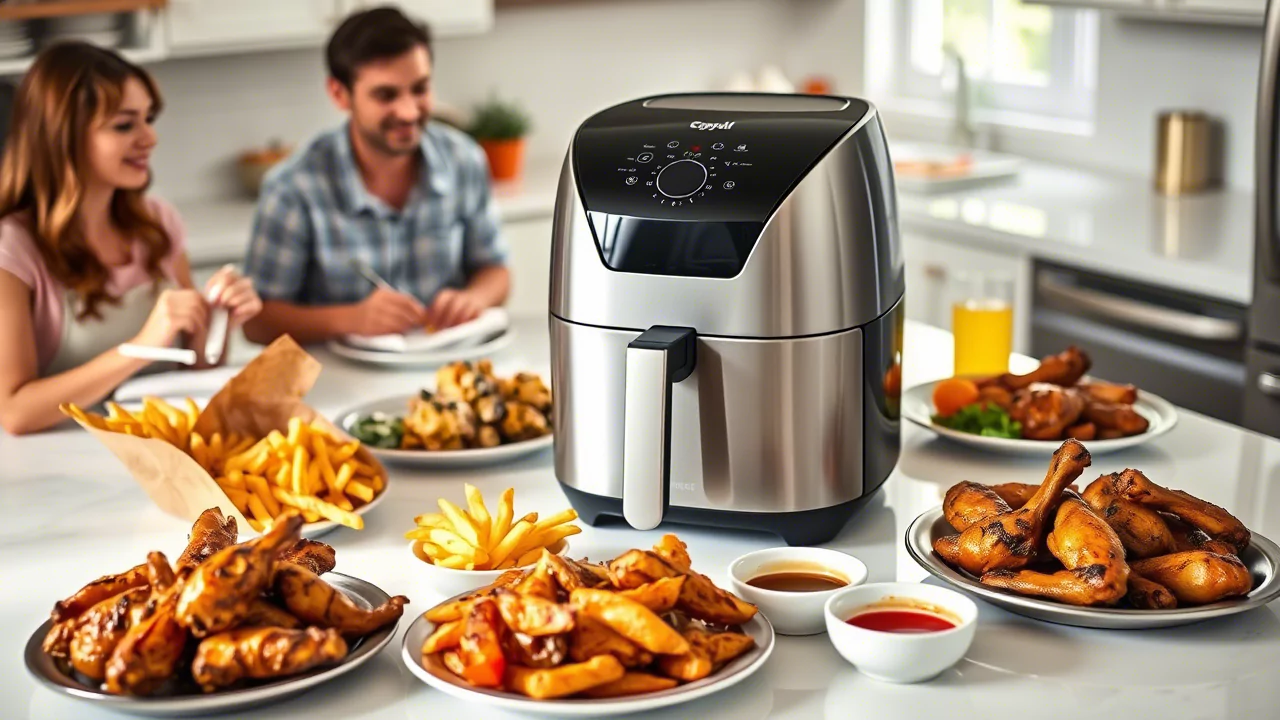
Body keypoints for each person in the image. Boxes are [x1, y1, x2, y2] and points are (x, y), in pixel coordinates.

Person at [0, 42, 262, 435]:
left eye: (148, 119)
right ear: (63, 138)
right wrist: (140, 346)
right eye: (124, 125)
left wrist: (220, 319)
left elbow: (195, 368)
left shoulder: (158, 224)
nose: (150, 138)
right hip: (65, 467)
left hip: (165, 450)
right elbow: (15, 411)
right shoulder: (14, 249)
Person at [243, 7, 510, 345]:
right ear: (340, 94)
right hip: (336, 384)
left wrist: (473, 298)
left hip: (449, 367)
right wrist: (351, 319)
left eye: (420, 89)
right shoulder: (292, 188)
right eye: (386, 95)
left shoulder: (464, 159)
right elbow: (257, 321)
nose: (409, 111)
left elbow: (496, 271)